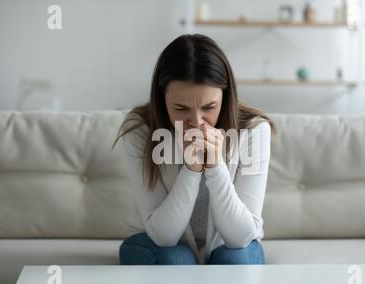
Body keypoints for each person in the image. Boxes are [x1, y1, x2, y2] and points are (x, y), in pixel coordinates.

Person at [112, 34, 277, 265]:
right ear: (162, 99)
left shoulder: (253, 129)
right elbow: (164, 236)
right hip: (155, 242)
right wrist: (191, 169)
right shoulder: (140, 129)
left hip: (228, 245)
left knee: (236, 260)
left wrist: (216, 166)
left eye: (209, 107)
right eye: (180, 108)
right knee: (176, 260)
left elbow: (240, 238)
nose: (196, 122)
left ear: (225, 96)